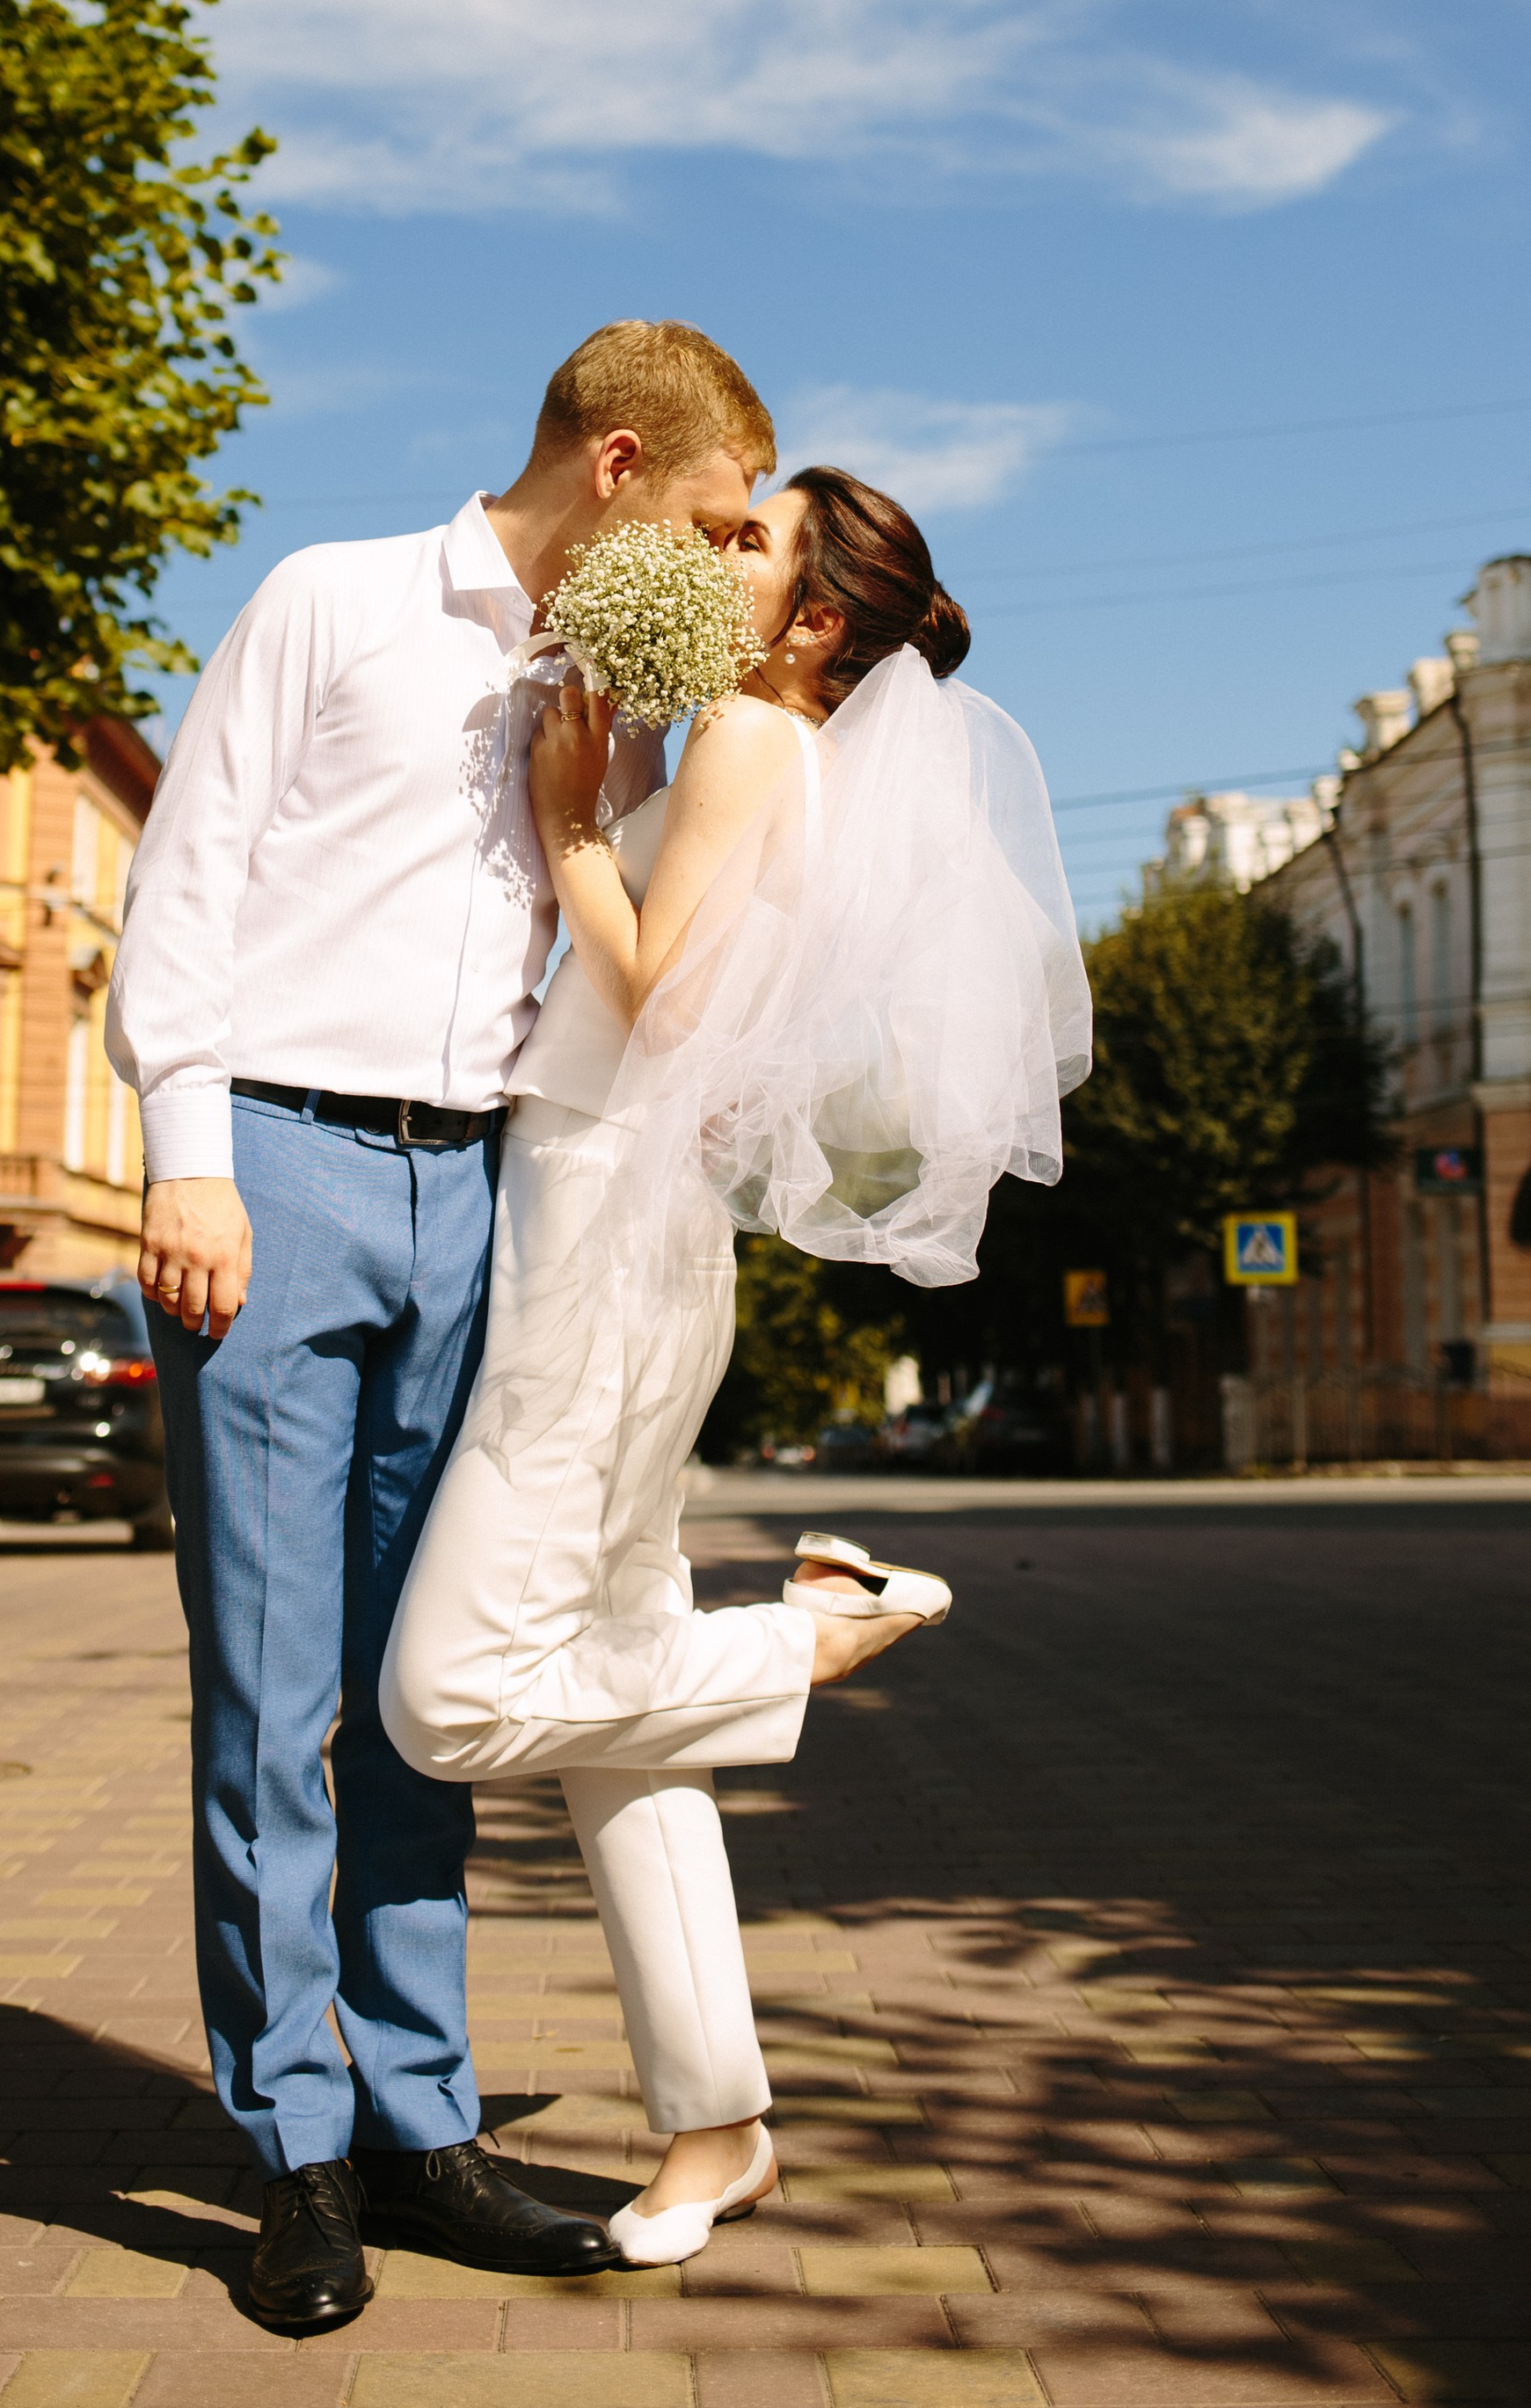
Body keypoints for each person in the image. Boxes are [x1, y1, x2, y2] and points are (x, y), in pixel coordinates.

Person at [106, 319, 777, 2331]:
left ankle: (419, 2127)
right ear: (623, 461)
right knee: (268, 1691)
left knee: (420, 1692)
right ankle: (294, 2151)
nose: (735, 554)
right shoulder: (333, 604)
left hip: (477, 1193)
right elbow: (187, 879)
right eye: (723, 514)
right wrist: (183, 1152)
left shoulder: (621, 679)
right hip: (279, 1172)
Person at [383, 465, 1091, 2264]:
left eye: (751, 539)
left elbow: (666, 998)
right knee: (624, 1720)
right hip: (628, 1233)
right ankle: (716, 2130)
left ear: (819, 618)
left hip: (601, 1250)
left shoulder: (752, 743)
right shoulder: (767, 744)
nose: (717, 548)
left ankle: (812, 1627)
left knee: (443, 1701)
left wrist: (564, 827)